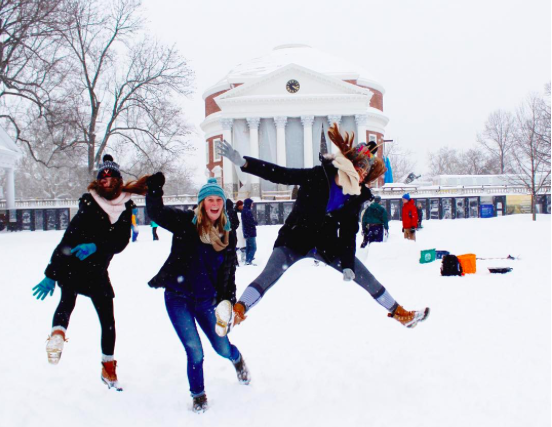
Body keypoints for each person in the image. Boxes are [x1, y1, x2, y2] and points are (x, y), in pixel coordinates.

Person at [214, 124, 430, 338]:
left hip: (326, 244)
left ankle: (400, 313)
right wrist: (245, 163)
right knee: (269, 275)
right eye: (360, 168)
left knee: (364, 276)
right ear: (350, 164)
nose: (362, 175)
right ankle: (237, 312)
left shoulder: (355, 194)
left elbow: (348, 231)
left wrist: (347, 263)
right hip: (294, 238)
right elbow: (282, 175)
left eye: (366, 171)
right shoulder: (319, 176)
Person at [31, 155, 147, 391]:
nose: (106, 181)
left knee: (105, 319)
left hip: (95, 269)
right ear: (97, 182)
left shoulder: (125, 206)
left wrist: (96, 246)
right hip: (76, 264)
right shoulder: (89, 202)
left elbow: (121, 240)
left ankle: (106, 366)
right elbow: (69, 237)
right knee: (70, 303)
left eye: (110, 177)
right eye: (102, 178)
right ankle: (58, 337)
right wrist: (51, 273)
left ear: (118, 179)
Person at [145, 174, 250, 414]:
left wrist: (228, 303)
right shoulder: (186, 222)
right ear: (202, 203)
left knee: (222, 348)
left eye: (218, 200)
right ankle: (198, 394)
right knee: (194, 349)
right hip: (177, 297)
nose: (214, 204)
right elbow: (157, 214)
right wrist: (154, 189)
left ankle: (236, 359)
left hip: (206, 301)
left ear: (223, 204)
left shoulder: (228, 234)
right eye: (209, 200)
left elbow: (228, 273)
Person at [241, 198, 258, 265]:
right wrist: (255, 222)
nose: (252, 205)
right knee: (253, 247)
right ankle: (249, 260)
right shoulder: (248, 211)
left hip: (246, 231)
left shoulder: (244, 211)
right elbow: (251, 221)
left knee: (248, 247)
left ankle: (247, 260)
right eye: (251, 203)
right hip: (250, 232)